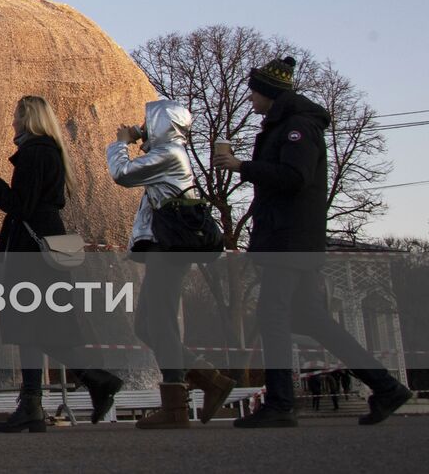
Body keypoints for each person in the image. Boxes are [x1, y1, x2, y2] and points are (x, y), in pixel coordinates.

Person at [213, 56, 412, 428]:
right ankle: (386, 386)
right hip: (289, 237)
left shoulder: (297, 128)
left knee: (271, 316)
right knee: (311, 318)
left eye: (254, 92)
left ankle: (279, 403)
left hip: (288, 240)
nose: (250, 100)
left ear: (270, 93)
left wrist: (243, 167)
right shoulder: (287, 125)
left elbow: (294, 176)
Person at [0, 95, 124, 432]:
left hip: (32, 251)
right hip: (47, 245)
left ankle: (91, 381)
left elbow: (20, 204)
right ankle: (35, 404)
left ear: (28, 119)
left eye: (15, 116)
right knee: (34, 329)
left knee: (32, 328)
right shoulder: (50, 152)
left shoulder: (33, 153)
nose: (12, 122)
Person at [106, 99, 235, 428]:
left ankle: (176, 404)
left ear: (163, 125)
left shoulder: (169, 155)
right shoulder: (167, 155)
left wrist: (122, 142)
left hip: (170, 249)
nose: (143, 127)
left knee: (159, 322)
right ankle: (209, 379)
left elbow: (121, 174)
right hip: (165, 247)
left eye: (149, 123)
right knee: (147, 325)